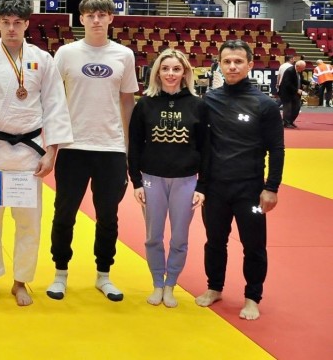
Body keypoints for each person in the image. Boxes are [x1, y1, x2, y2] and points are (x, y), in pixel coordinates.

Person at [0, 0, 73, 306]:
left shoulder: (42, 60)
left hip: (29, 155)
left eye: (18, 23)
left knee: (28, 223)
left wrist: (52, 152)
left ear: (27, 24)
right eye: (6, 22)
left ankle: (20, 281)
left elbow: (55, 107)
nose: (11, 28)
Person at [48, 0, 137, 302]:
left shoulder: (124, 56)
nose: (97, 20)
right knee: (64, 214)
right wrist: (52, 143)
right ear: (81, 18)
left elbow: (128, 102)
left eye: (102, 15)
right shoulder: (66, 54)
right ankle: (60, 273)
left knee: (108, 216)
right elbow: (53, 99)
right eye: (91, 15)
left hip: (111, 148)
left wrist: (127, 147)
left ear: (111, 18)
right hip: (73, 147)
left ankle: (104, 275)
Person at [195, 39, 284, 320]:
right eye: (227, 61)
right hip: (215, 187)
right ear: (219, 64)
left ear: (250, 64)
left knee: (254, 245)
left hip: (250, 188)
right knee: (214, 241)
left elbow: (277, 148)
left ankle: (252, 297)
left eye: (238, 61)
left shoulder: (265, 104)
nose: (232, 66)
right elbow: (198, 144)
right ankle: (214, 287)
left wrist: (271, 188)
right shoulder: (209, 101)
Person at [128, 48, 208, 308]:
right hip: (152, 179)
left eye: (176, 69)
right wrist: (136, 182)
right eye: (165, 69)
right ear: (157, 72)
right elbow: (135, 146)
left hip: (186, 180)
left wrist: (202, 185)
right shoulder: (145, 105)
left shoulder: (198, 105)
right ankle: (157, 283)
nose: (171, 74)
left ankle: (171, 283)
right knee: (153, 236)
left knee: (179, 237)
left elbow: (207, 148)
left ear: (185, 72)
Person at [278, 59, 306, 129]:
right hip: (287, 92)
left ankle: (291, 121)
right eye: (302, 68)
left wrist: (309, 83)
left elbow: (301, 80)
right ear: (297, 66)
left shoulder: (300, 71)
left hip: (295, 93)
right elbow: (287, 84)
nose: (303, 69)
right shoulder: (289, 71)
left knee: (297, 107)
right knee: (288, 108)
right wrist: (297, 90)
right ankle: (286, 123)